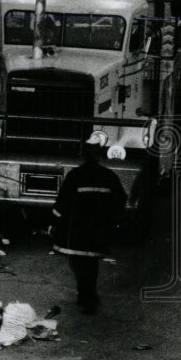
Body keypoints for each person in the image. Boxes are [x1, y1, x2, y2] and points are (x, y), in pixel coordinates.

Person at [51, 134, 127, 314]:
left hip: (77, 231)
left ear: (83, 157)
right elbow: (121, 198)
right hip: (98, 230)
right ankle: (89, 295)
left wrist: (55, 221)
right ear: (99, 156)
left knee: (78, 263)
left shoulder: (75, 175)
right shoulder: (109, 176)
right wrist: (114, 221)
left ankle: (84, 295)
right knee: (92, 264)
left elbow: (62, 203)